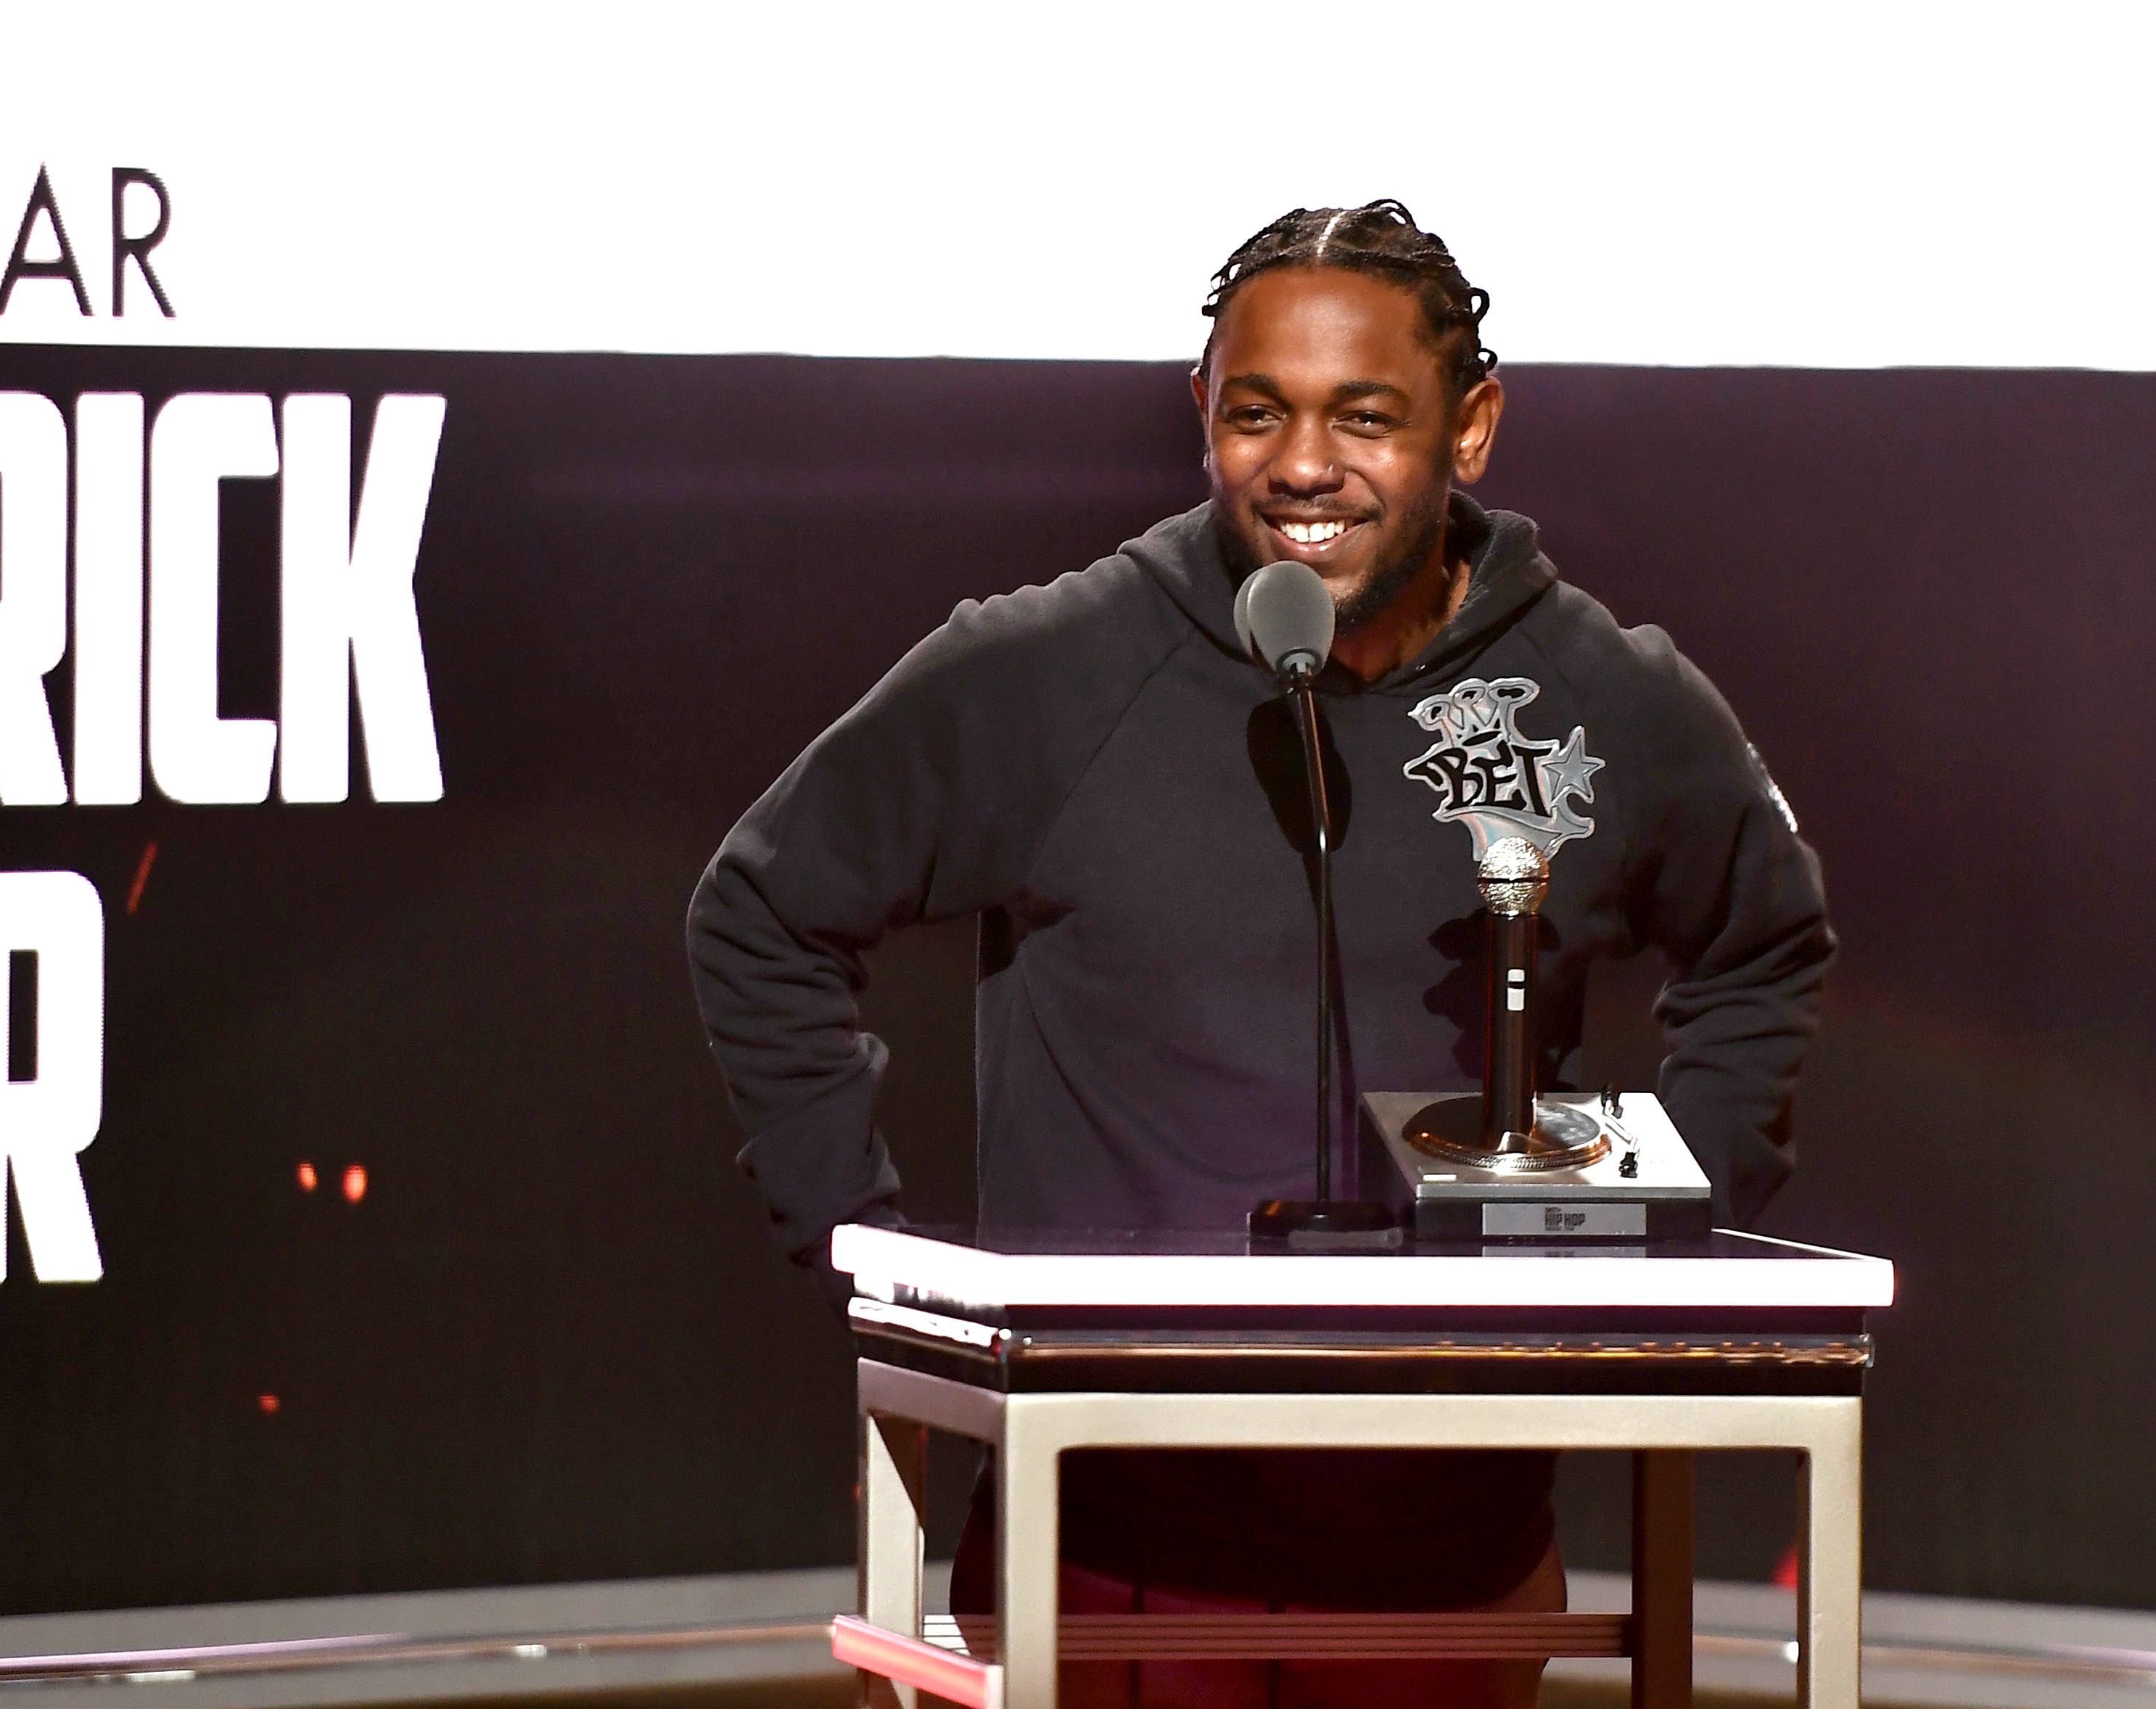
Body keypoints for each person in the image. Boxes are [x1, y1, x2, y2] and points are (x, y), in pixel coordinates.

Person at [686, 200, 1834, 1708]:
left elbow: (1767, 945)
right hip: (1107, 1551)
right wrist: (877, 1260)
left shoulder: (1599, 695)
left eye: (1366, 415)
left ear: (1472, 426)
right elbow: (761, 908)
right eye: (1256, 412)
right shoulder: (1052, 667)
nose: (1303, 464)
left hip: (1454, 1564)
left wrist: (1661, 1245)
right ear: (1202, 416)